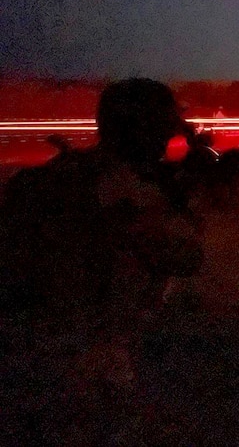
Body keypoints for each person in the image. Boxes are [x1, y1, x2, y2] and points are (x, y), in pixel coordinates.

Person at [1, 78, 204, 441]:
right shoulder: (125, 190)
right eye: (162, 133)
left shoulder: (45, 179)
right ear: (146, 132)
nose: (165, 143)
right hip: (88, 360)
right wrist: (187, 203)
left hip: (25, 353)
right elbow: (184, 256)